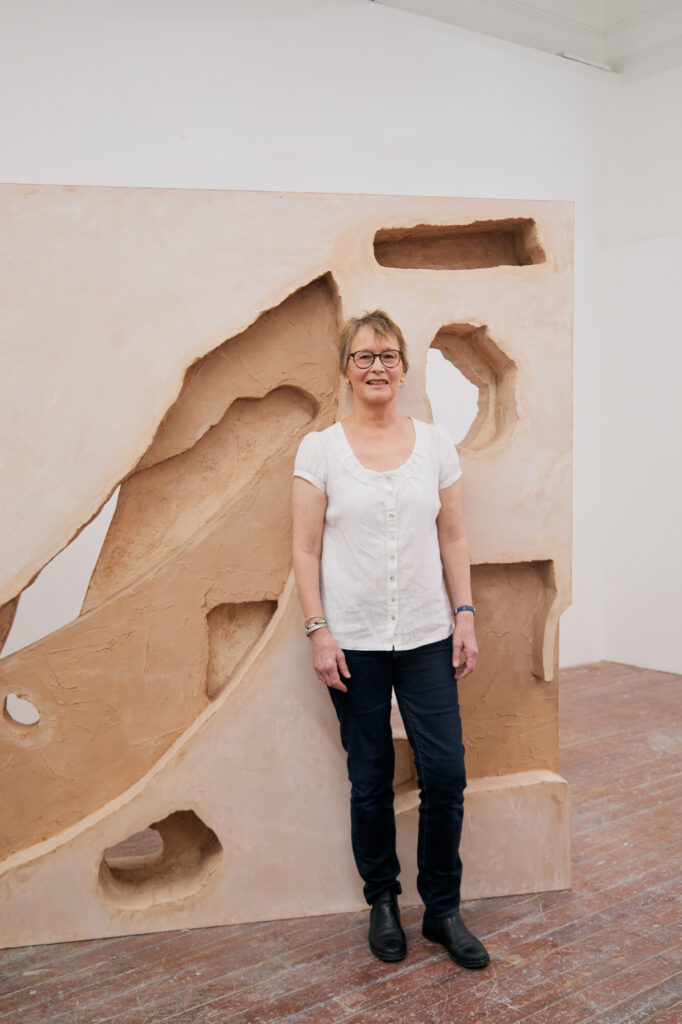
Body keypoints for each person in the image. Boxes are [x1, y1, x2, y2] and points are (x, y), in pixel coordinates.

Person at [291, 310, 490, 969]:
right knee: (370, 775)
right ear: (345, 369)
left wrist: (465, 613)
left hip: (431, 634)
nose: (377, 366)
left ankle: (442, 909)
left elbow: (454, 537)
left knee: (445, 771)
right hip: (353, 641)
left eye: (388, 356)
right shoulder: (319, 449)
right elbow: (305, 548)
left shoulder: (435, 444)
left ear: (404, 369)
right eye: (363, 356)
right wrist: (319, 631)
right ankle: (382, 901)